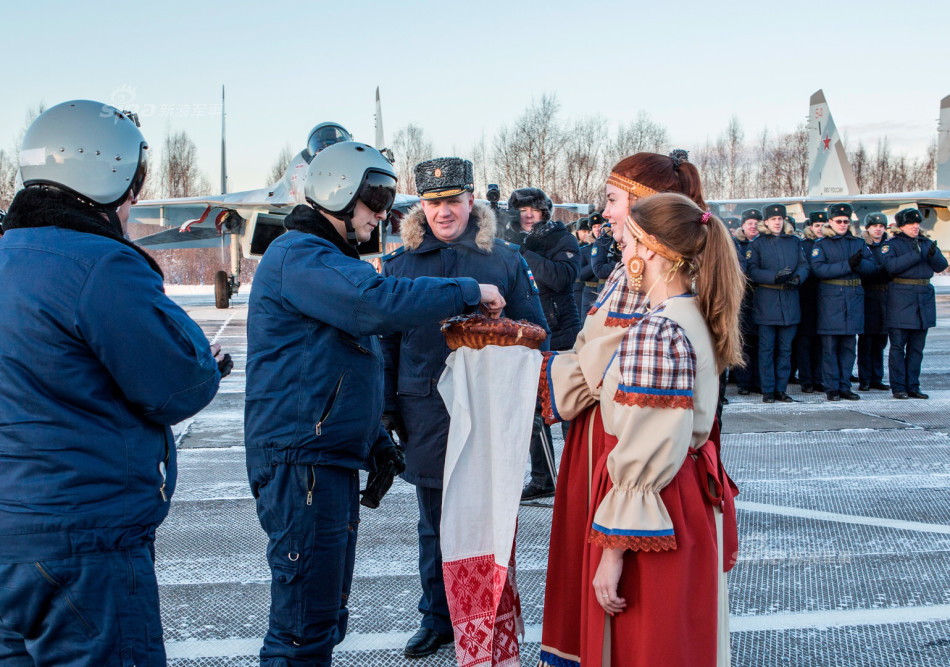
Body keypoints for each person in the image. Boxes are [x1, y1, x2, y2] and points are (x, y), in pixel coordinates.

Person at [244, 145, 506, 666]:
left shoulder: (327, 262)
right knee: (302, 627)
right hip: (303, 465)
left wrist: (372, 438)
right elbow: (375, 306)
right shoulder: (301, 256)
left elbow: (332, 365)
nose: (384, 212)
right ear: (339, 193)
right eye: (376, 197)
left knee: (322, 620)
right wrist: (467, 290)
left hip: (325, 459)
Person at [0, 100, 229, 665]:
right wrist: (204, 358)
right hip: (81, 544)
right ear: (112, 177)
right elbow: (179, 386)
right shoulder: (102, 264)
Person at [537, 152, 741, 666]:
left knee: (641, 636)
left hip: (648, 488)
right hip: (680, 487)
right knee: (681, 637)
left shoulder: (658, 323)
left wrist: (612, 551)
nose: (611, 223)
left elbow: (641, 427)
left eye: (614, 205)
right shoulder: (691, 307)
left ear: (649, 243)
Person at [379, 158, 547, 658]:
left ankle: (486, 611)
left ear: (471, 201)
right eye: (433, 202)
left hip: (489, 410)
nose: (443, 212)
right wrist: (388, 409)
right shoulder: (400, 263)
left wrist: (503, 334)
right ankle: (438, 617)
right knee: (435, 521)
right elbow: (385, 343)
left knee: (490, 517)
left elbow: (537, 332)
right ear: (421, 206)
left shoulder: (504, 259)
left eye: (453, 200)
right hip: (425, 410)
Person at [811, 203, 876, 401]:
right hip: (831, 299)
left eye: (845, 221)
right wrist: (847, 265)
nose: (842, 224)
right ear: (830, 222)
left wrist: (859, 264)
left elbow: (872, 268)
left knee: (849, 347)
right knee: (830, 348)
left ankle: (845, 385)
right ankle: (831, 387)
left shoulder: (857, 243)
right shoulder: (821, 245)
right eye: (838, 221)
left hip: (853, 298)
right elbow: (820, 270)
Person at [882, 208, 948, 399]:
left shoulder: (925, 243)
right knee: (897, 347)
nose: (915, 227)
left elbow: (941, 266)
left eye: (917, 223)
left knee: (917, 348)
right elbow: (890, 267)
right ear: (901, 226)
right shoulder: (893, 245)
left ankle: (913, 385)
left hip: (923, 299)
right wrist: (915, 255)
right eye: (911, 224)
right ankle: (899, 387)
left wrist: (932, 254)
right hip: (901, 299)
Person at [746, 204, 808, 403]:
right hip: (767, 303)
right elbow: (751, 271)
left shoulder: (794, 242)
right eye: (773, 219)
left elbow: (804, 265)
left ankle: (781, 389)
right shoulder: (758, 244)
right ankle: (768, 390)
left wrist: (798, 278)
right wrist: (774, 276)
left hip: (789, 302)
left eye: (780, 219)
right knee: (766, 350)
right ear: (766, 222)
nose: (777, 222)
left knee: (785, 350)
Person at [857, 213, 891, 391]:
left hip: (885, 298)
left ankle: (877, 377)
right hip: (868, 296)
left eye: (881, 226)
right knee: (866, 341)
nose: (878, 229)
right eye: (874, 226)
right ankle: (865, 378)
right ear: (868, 228)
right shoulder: (862, 246)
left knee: (880, 341)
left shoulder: (889, 246)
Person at [795, 211, 827, 393]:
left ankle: (818, 378)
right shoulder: (803, 245)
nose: (820, 229)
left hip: (825, 300)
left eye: (823, 225)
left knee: (821, 343)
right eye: (817, 226)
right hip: (806, 298)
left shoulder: (828, 244)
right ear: (810, 227)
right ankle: (806, 379)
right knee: (805, 343)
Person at [733, 208, 761, 395]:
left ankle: (757, 381)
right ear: (742, 225)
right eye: (750, 223)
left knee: (759, 342)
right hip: (742, 298)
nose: (753, 226)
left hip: (762, 298)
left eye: (757, 223)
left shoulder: (763, 243)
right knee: (742, 341)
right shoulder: (737, 243)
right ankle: (742, 381)